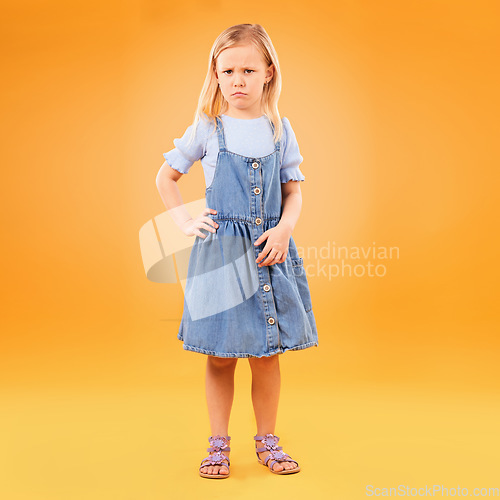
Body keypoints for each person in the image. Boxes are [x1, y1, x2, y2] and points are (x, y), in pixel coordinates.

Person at [156, 23, 319, 479]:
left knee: (267, 354)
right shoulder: (208, 128)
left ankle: (267, 439)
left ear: (268, 72)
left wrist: (285, 227)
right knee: (221, 355)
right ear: (216, 73)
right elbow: (165, 178)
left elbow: (294, 192)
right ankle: (218, 443)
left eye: (248, 69)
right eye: (228, 70)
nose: (237, 80)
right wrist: (186, 222)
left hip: (269, 251)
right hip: (221, 257)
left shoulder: (278, 129)